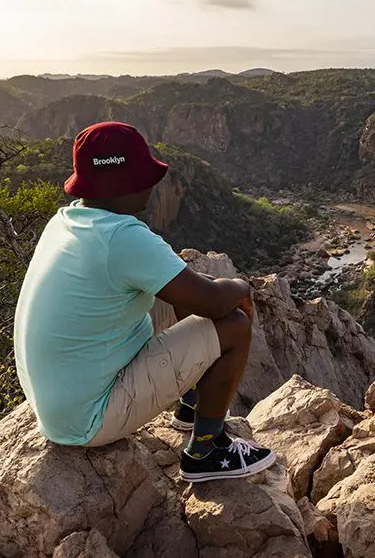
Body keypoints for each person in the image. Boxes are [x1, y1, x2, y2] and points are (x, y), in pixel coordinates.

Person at [14, 121, 275, 482]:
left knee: (191, 288)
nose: (152, 187)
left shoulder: (67, 221)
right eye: (144, 176)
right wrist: (241, 288)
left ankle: (191, 405)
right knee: (234, 323)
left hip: (58, 402)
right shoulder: (123, 238)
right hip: (90, 418)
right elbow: (216, 305)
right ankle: (207, 450)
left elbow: (196, 292)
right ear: (125, 183)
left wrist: (216, 290)